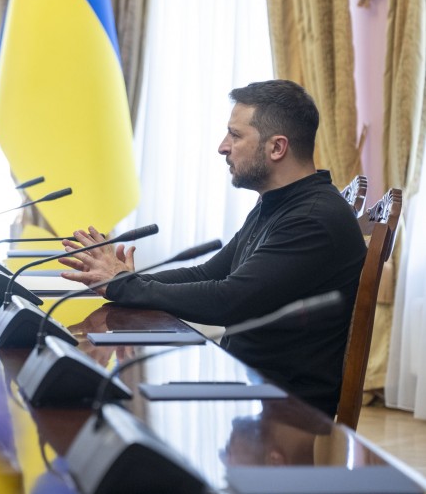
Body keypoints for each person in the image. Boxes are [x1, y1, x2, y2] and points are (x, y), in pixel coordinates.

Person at [59, 79, 367, 416]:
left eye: (235, 136)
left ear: (277, 148)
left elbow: (229, 300)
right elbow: (209, 273)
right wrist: (127, 282)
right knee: (111, 402)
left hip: (282, 410)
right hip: (245, 383)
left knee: (114, 411)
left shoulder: (312, 219)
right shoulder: (281, 203)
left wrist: (124, 285)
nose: (223, 147)